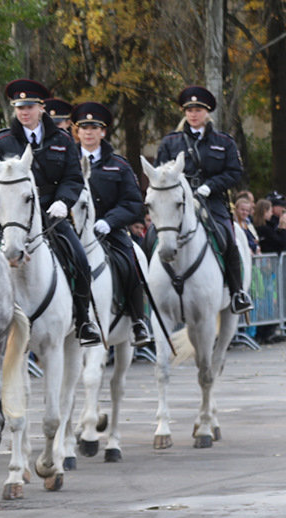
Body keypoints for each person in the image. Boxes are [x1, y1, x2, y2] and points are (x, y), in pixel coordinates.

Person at [0, 79, 101, 346]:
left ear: (41, 108)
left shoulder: (61, 139)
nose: (24, 112)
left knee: (79, 259)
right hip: (11, 213)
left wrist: (64, 202)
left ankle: (83, 320)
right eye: (19, 107)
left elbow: (73, 177)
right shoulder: (1, 140)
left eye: (30, 107)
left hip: (50, 210)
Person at [156, 85, 251, 314]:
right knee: (153, 236)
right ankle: (154, 287)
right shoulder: (171, 142)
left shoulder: (223, 141)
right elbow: (161, 173)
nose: (193, 114)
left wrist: (210, 186)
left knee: (227, 236)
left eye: (198, 109)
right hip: (178, 201)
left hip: (212, 200)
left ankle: (237, 292)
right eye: (189, 109)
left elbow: (234, 172)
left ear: (207, 112)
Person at [71, 101, 151, 346]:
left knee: (129, 261)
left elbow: (133, 202)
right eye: (83, 127)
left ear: (103, 132)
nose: (88, 132)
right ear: (77, 131)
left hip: (109, 231)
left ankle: (138, 321)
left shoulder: (119, 164)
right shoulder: (67, 162)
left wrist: (109, 221)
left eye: (94, 127)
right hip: (72, 229)